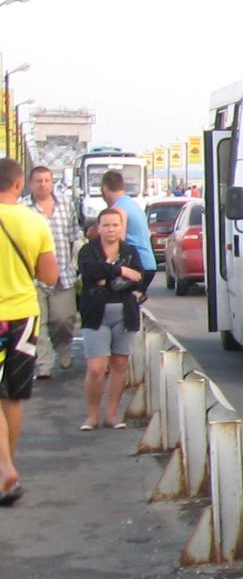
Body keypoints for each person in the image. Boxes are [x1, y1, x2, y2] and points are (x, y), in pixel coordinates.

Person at [0, 158, 58, 502]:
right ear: (18, 184)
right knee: (13, 395)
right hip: (23, 315)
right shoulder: (34, 221)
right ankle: (8, 466)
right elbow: (49, 276)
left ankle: (4, 467)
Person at [77, 206, 146, 431]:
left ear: (121, 228)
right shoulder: (88, 251)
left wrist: (108, 278)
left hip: (125, 314)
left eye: (115, 225)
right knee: (96, 368)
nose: (111, 229)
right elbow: (89, 273)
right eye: (106, 225)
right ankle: (92, 415)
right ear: (98, 228)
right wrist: (120, 272)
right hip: (95, 314)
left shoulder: (130, 252)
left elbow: (138, 280)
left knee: (119, 364)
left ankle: (112, 415)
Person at [26, 164, 78, 376]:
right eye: (38, 181)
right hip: (33, 278)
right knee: (40, 323)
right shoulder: (24, 208)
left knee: (64, 319)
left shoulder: (66, 204)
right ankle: (44, 365)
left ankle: (63, 349)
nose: (43, 185)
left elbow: (75, 233)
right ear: (30, 184)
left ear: (52, 182)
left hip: (63, 274)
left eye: (47, 180)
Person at [97, 169, 158, 280]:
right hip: (148, 262)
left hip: (136, 264)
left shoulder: (118, 209)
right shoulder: (132, 204)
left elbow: (119, 239)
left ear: (105, 188)